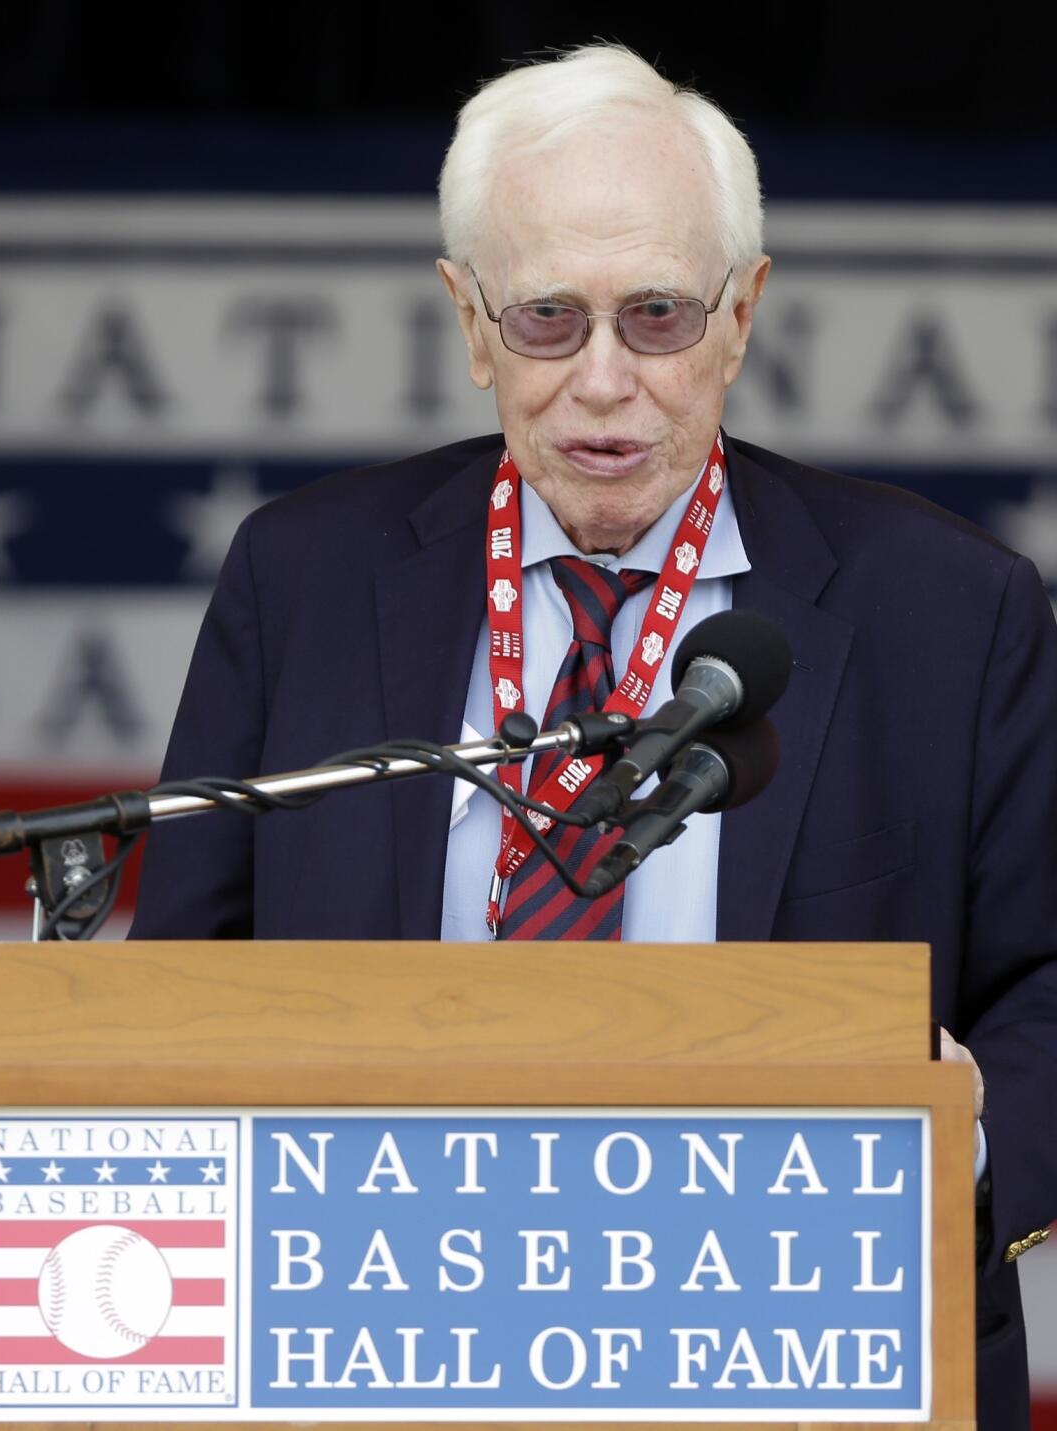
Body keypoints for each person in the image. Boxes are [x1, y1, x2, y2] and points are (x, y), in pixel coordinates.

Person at [131, 44, 1057, 1425]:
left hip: (802, 1364)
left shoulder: (951, 608)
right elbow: (183, 991)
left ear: (745, 314)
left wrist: (957, 1135)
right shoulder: (304, 580)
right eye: (550, 319)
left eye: (661, 316)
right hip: (379, 1357)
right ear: (468, 320)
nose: (606, 379)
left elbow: (1046, 985)